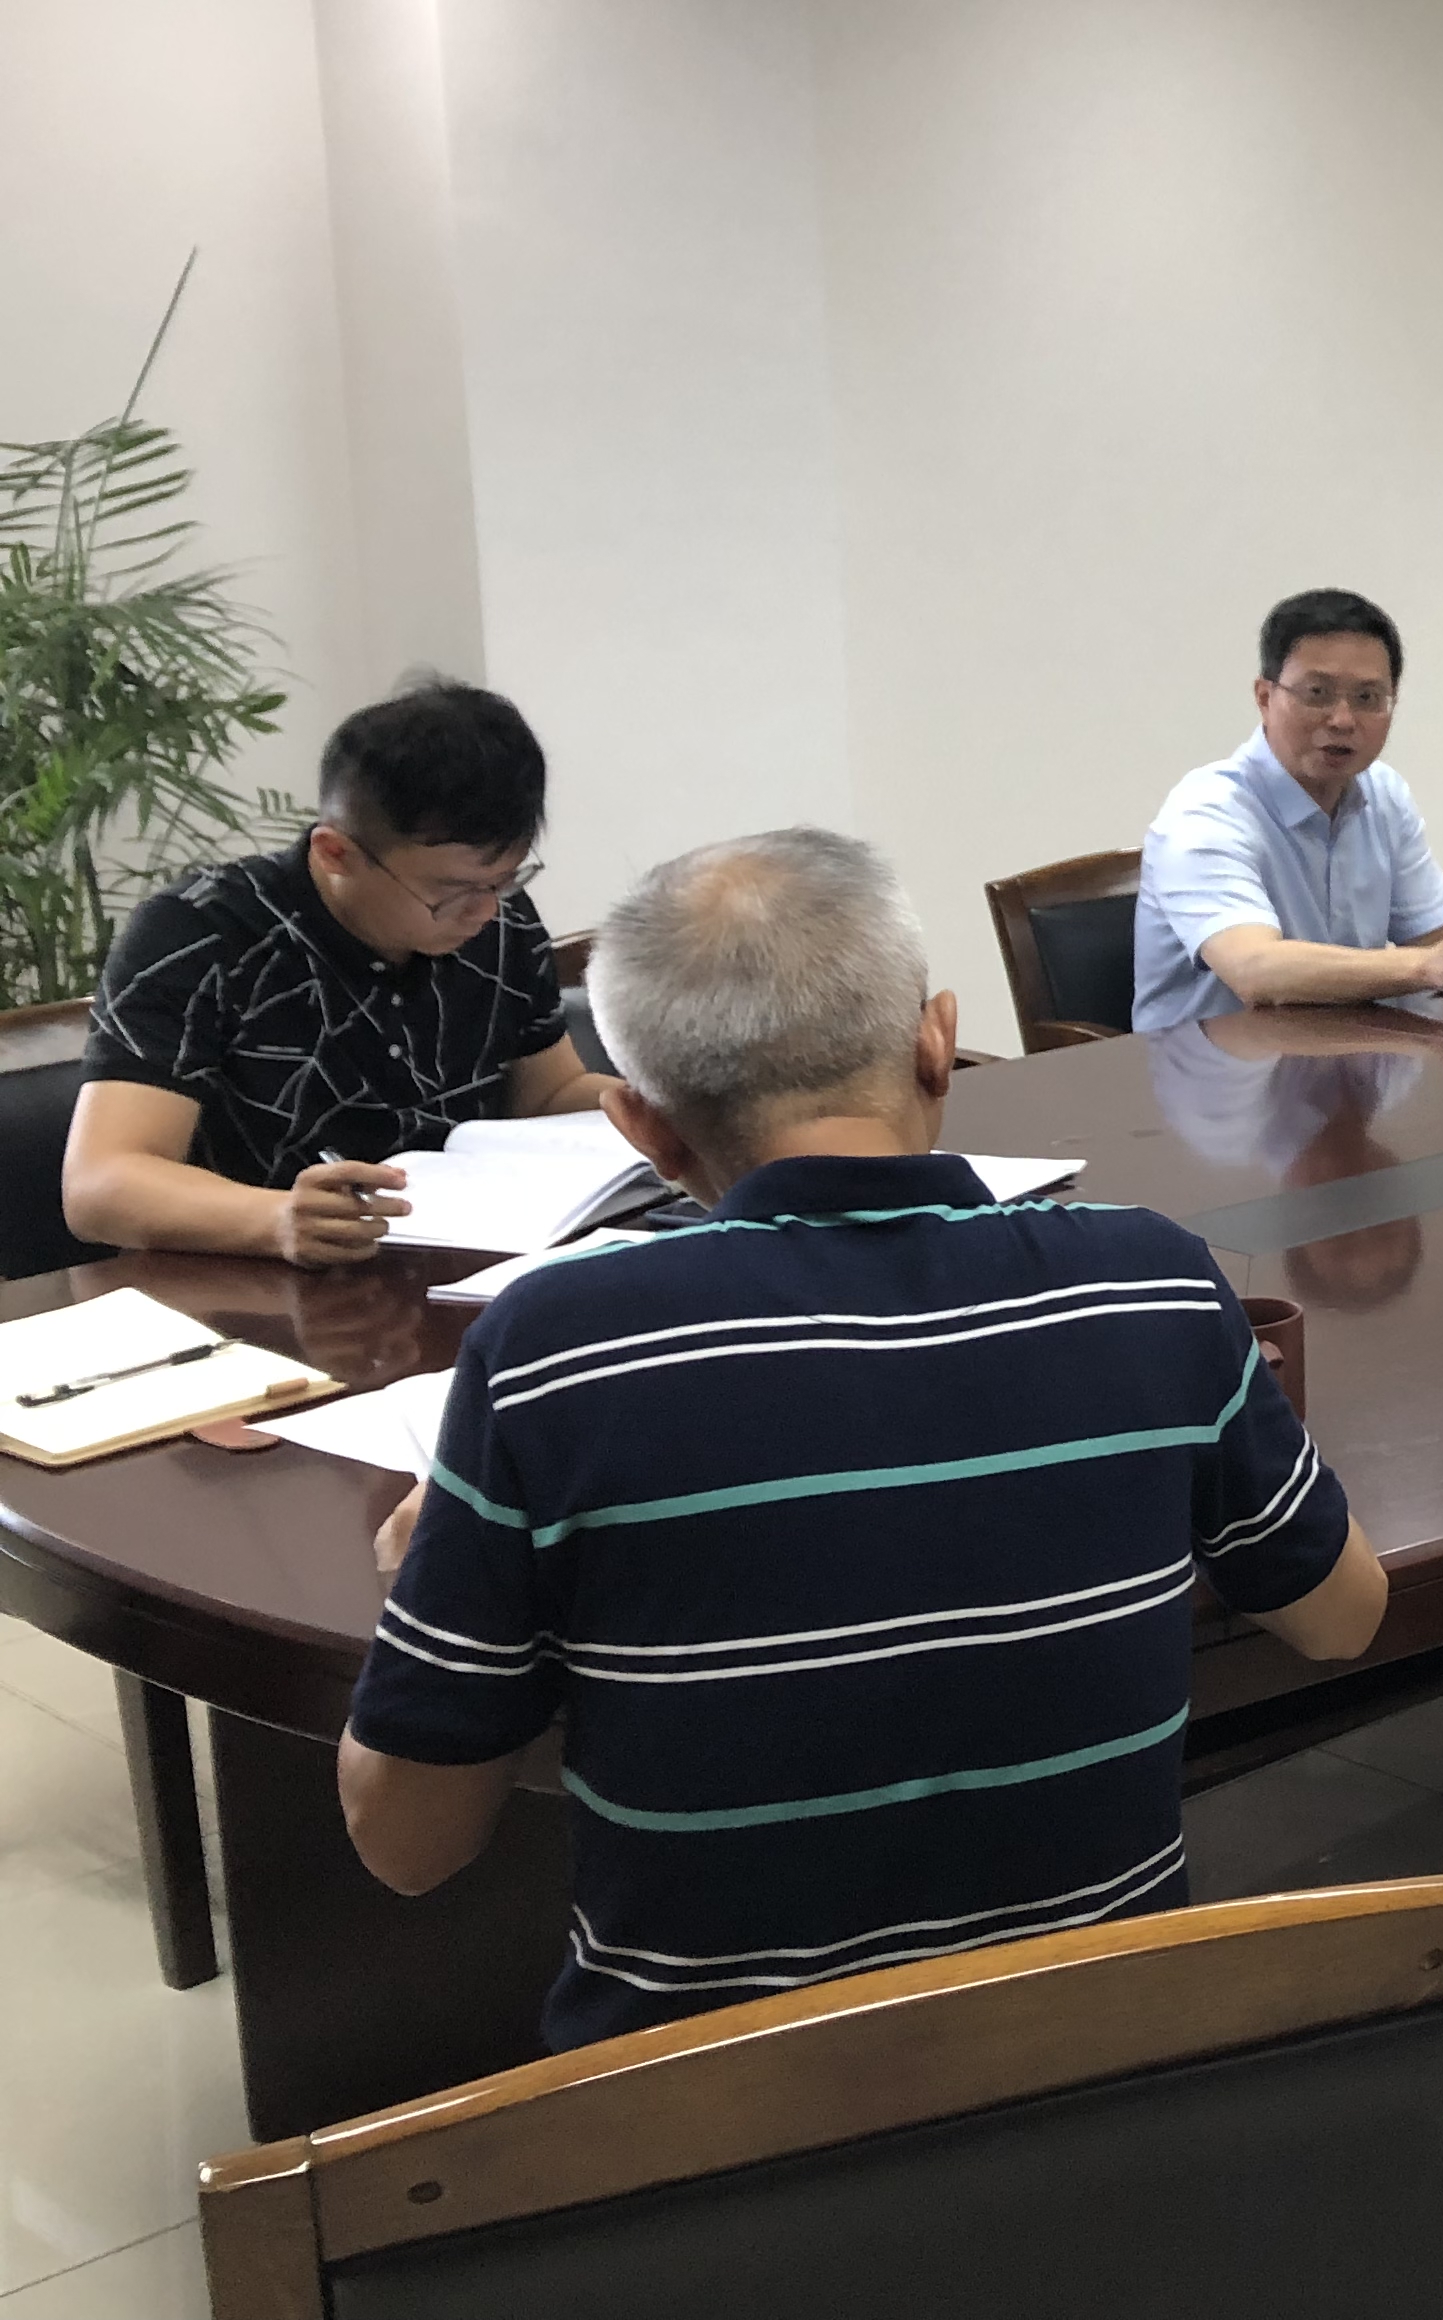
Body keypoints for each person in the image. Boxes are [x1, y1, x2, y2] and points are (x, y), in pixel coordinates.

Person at [338, 828, 1384, 2051]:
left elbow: (406, 1846)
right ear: (939, 1040)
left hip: (706, 2117)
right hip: (1097, 2071)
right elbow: (1342, 1618)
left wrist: (434, 1572)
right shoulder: (1147, 1281)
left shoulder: (555, 1350)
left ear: (641, 1128)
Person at [62, 678, 619, 1262]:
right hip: (253, 1281)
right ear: (337, 853)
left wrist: (664, 1114)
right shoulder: (199, 932)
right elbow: (100, 1185)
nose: (484, 912)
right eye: (448, 891)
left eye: (503, 882)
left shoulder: (498, 918)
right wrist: (275, 1220)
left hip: (464, 1260)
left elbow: (547, 1094)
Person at [1132, 588, 1443, 1030]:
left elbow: (1435, 940)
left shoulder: (1383, 793)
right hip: (1208, 1065)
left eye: (1367, 698)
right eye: (1317, 693)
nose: (1342, 719)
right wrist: (1427, 964)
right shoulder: (1205, 814)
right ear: (1264, 697)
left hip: (1347, 1051)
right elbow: (1255, 969)